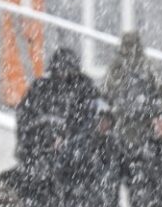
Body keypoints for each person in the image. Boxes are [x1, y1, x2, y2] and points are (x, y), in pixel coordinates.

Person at [17, 48, 102, 182]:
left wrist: (68, 136)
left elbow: (91, 119)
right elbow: (25, 120)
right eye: (61, 71)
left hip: (73, 160)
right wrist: (44, 138)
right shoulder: (41, 88)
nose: (64, 75)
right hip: (43, 156)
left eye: (68, 71)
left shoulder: (84, 88)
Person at [101, 31, 162, 151]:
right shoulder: (120, 66)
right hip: (126, 119)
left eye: (131, 45)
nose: (129, 49)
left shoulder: (145, 66)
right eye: (127, 45)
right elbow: (107, 91)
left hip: (139, 120)